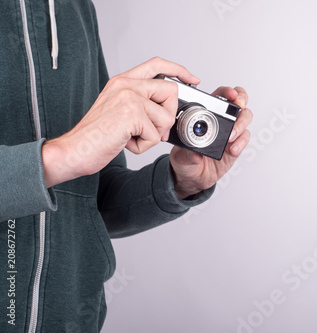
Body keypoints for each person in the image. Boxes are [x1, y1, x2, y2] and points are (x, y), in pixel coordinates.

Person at [0, 0, 252, 332]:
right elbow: (70, 158)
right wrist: (63, 155)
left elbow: (92, 201)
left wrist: (179, 181)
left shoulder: (77, 8)